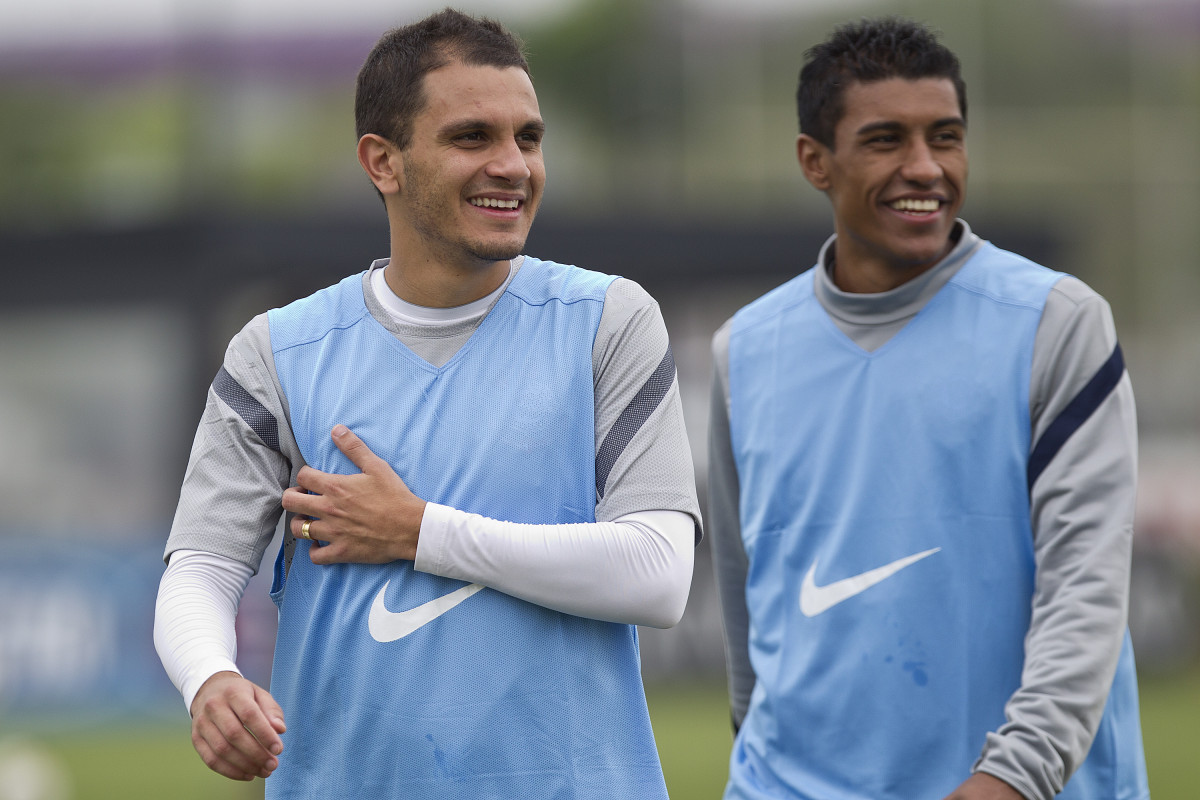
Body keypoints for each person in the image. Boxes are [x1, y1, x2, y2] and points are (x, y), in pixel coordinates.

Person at [153, 9, 701, 798]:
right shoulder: (278, 350)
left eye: (529, 138)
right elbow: (202, 563)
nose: (513, 165)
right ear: (383, 161)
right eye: (472, 137)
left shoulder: (608, 320)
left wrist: (420, 532)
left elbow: (657, 573)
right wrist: (209, 677)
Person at [708, 17, 1148, 800]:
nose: (925, 168)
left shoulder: (1058, 321)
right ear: (815, 161)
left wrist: (1009, 779)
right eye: (886, 141)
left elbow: (1086, 595)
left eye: (945, 137)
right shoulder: (745, 350)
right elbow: (749, 602)